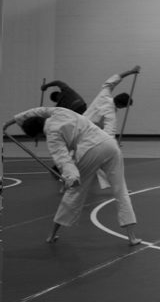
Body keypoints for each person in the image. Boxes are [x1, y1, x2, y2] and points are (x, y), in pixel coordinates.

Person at [4, 107, 141, 245]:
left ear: (37, 134)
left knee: (74, 193)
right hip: (109, 143)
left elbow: (63, 159)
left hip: (89, 150)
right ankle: (132, 237)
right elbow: (37, 111)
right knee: (120, 189)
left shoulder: (52, 136)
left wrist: (72, 177)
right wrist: (12, 121)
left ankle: (52, 235)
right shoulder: (59, 111)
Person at [83, 66, 140, 188]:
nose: (123, 109)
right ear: (120, 104)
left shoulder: (104, 94)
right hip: (89, 135)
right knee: (112, 159)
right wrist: (114, 145)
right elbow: (109, 133)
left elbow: (113, 80)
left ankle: (68, 181)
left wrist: (130, 71)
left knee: (84, 160)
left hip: (79, 127)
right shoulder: (110, 115)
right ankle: (118, 186)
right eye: (125, 107)